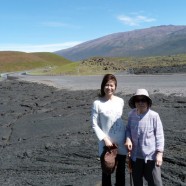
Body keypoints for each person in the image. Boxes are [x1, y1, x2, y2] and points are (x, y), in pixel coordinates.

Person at [91, 74, 127, 186]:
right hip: (106, 143)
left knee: (121, 171)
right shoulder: (97, 103)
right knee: (107, 170)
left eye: (111, 85)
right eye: (107, 85)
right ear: (103, 86)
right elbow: (94, 124)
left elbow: (119, 120)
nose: (109, 88)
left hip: (121, 141)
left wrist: (127, 139)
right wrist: (105, 139)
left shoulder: (120, 101)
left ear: (115, 87)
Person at [125, 88, 164, 186]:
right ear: (134, 102)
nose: (140, 102)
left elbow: (159, 135)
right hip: (135, 156)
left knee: (156, 183)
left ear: (148, 102)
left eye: (143, 100)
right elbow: (128, 130)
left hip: (151, 156)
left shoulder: (154, 116)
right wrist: (128, 139)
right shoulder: (131, 114)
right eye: (138, 100)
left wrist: (159, 153)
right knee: (137, 182)